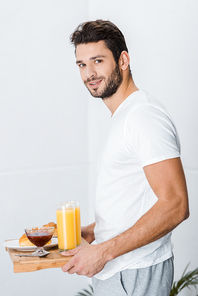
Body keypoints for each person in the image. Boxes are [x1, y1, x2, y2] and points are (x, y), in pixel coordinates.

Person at [61, 20, 189, 296]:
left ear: (123, 60)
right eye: (82, 64)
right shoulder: (126, 116)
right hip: (119, 271)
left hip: (134, 271)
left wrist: (103, 252)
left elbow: (176, 205)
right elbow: (137, 199)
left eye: (97, 60)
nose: (89, 73)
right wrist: (96, 230)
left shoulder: (144, 116)